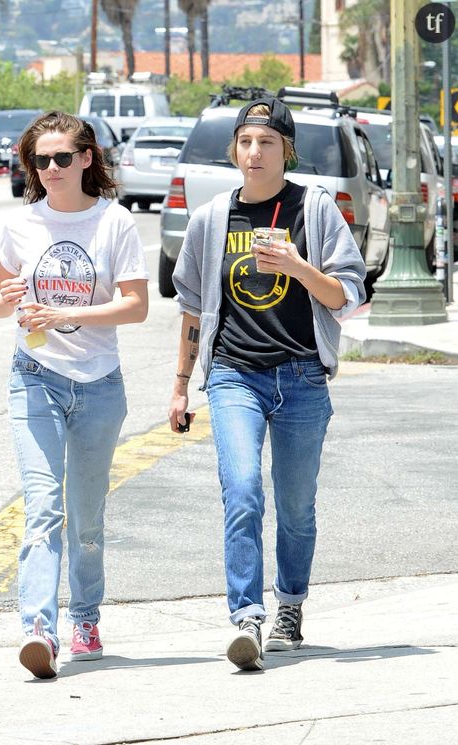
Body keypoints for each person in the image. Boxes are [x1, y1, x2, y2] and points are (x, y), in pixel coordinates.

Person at [168, 96, 366, 671]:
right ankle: (247, 618)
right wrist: (181, 385)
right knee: (243, 492)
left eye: (268, 143)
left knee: (297, 506)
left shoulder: (315, 209)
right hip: (234, 374)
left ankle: (291, 606)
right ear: (234, 149)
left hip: (303, 375)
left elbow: (347, 295)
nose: (255, 154)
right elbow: (192, 309)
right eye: (247, 143)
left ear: (286, 151)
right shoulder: (211, 219)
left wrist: (299, 267)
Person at [0, 111, 149, 679]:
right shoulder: (22, 224)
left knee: (85, 517)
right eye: (39, 160)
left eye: (61, 158)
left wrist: (66, 312)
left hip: (100, 384)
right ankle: (38, 628)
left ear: (86, 158)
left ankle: (85, 616)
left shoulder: (115, 223)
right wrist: (7, 297)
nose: (50, 169)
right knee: (42, 507)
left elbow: (136, 305)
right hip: (34, 374)